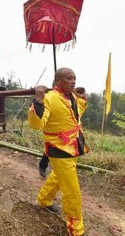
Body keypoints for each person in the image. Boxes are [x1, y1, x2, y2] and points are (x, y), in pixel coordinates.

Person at [28, 68, 88, 236]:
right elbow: (36, 124)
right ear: (57, 81)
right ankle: (76, 229)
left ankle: (44, 199)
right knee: (72, 190)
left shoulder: (71, 96)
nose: (73, 81)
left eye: (75, 78)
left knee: (57, 177)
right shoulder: (50, 98)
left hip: (74, 145)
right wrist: (38, 102)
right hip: (58, 149)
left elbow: (77, 114)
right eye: (69, 78)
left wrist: (81, 96)